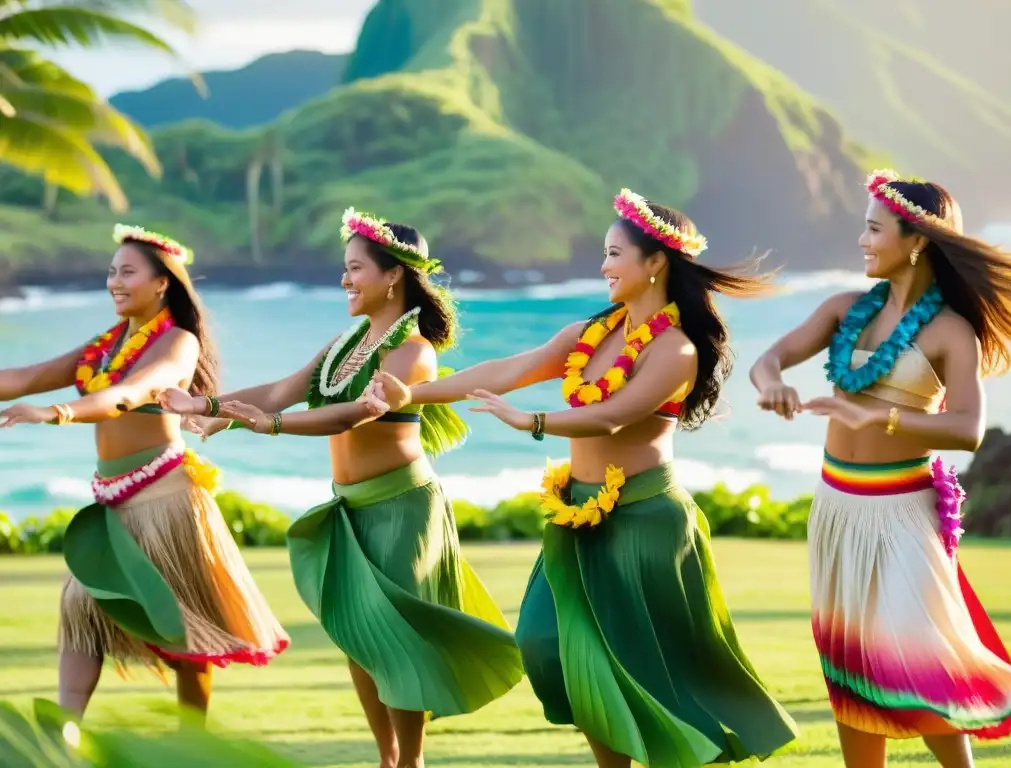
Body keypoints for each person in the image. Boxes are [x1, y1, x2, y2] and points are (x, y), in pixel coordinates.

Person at [367, 189, 800, 768]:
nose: (603, 266)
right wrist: (413, 393)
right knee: (547, 647)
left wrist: (534, 421)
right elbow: (507, 369)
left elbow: (615, 413)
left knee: (645, 667)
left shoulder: (677, 350)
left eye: (614, 254)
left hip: (645, 520)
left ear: (655, 263)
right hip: (577, 517)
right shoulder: (589, 334)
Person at [157, 209, 523, 768]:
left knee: (398, 639)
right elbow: (284, 389)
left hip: (402, 508)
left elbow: (351, 415)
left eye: (355, 268)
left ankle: (410, 761)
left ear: (393, 275)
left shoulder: (412, 351)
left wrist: (269, 425)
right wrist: (206, 406)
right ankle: (386, 758)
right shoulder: (346, 341)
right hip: (351, 506)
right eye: (344, 269)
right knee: (359, 636)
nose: (346, 279)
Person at [749, 169, 1011, 767]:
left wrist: (880, 418)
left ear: (916, 239)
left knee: (918, 659)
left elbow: (968, 429)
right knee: (850, 663)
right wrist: (771, 384)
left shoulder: (950, 331)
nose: (862, 240)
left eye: (874, 228)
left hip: (901, 510)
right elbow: (770, 358)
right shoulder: (844, 308)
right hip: (836, 506)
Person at [0, 225, 289, 722]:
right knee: (81, 608)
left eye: (127, 272)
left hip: (165, 499)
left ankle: (190, 738)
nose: (115, 281)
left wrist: (57, 413)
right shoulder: (107, 345)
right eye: (111, 271)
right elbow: (23, 377)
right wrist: (37, 398)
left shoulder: (177, 343)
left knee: (181, 624)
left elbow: (129, 394)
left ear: (162, 283)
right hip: (113, 502)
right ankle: (66, 734)